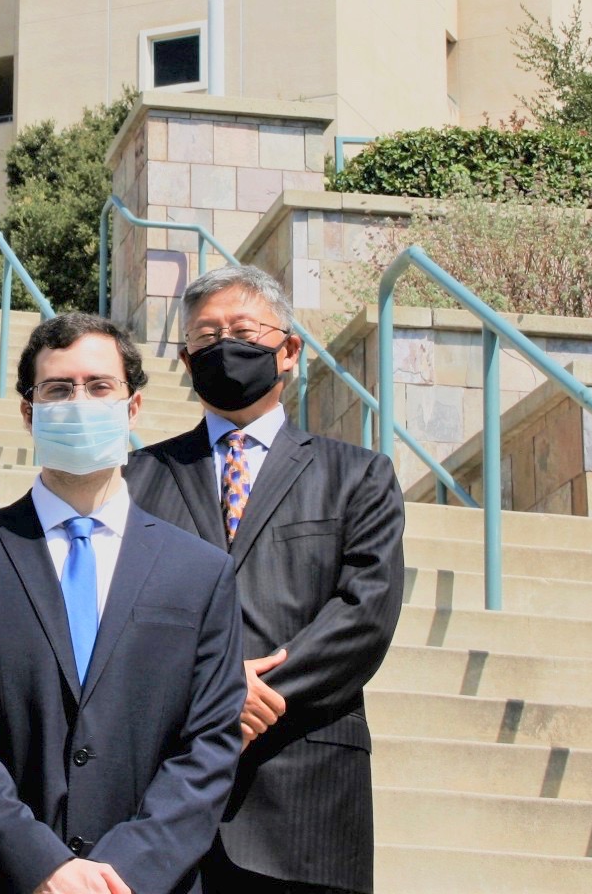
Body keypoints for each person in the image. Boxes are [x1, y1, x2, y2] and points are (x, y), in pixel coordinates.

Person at [0, 312, 245, 894]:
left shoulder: (200, 572)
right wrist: (41, 865)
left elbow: (210, 743)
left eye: (99, 386)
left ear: (133, 408)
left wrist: (127, 871)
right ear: (28, 411)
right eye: (59, 389)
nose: (80, 401)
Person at [124, 266, 406, 894]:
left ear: (289, 351)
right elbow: (112, 616)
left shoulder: (358, 476)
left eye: (244, 331)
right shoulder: (136, 479)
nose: (225, 345)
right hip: (159, 799)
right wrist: (211, 691)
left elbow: (366, 612)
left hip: (305, 794)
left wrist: (255, 692)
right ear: (186, 360)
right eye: (206, 336)